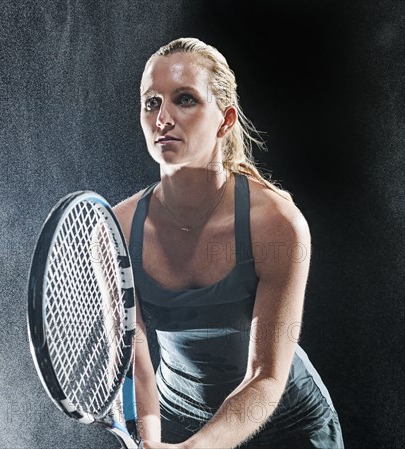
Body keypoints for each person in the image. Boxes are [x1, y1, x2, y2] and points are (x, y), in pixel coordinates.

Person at [113, 38, 344, 449]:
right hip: (177, 420)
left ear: (225, 119)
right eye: (151, 102)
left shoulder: (276, 224)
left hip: (288, 428)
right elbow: (135, 358)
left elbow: (267, 375)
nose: (163, 118)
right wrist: (150, 442)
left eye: (185, 99)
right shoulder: (117, 227)